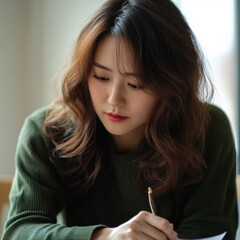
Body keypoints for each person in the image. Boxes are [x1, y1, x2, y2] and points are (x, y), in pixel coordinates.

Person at [2, 0, 238, 239]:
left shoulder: (207, 129)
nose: (114, 99)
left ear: (172, 84)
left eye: (135, 84)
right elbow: (19, 231)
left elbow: (212, 229)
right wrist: (105, 237)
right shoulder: (46, 132)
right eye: (101, 77)